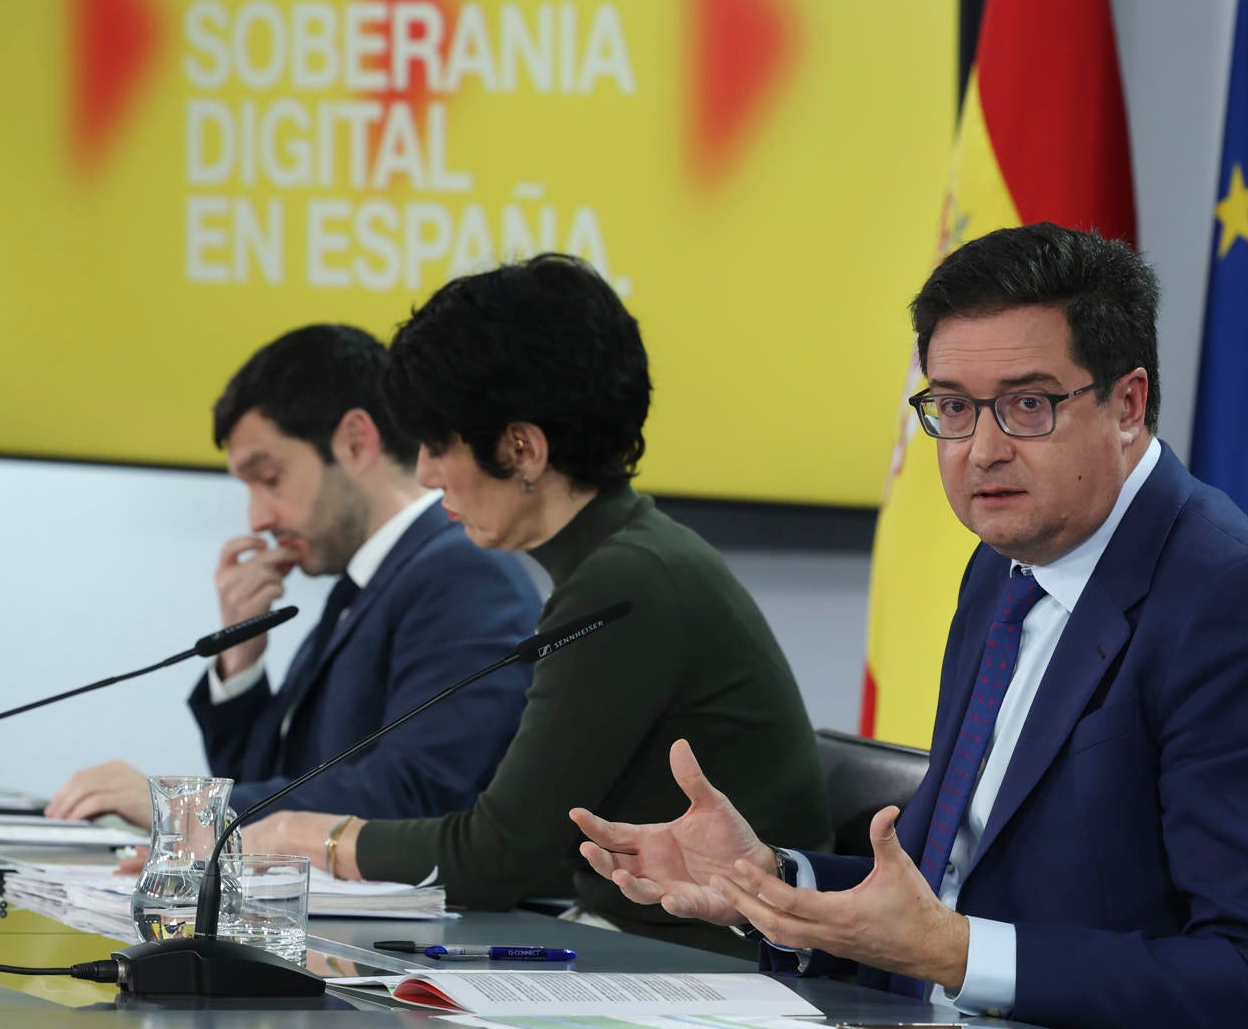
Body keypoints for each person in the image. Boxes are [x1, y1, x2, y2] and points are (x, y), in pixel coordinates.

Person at [572, 225, 1248, 1027]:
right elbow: (948, 891)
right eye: (953, 407)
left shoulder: (1234, 603)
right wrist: (773, 881)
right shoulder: (1003, 570)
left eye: (1028, 405)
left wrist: (952, 954)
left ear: (1127, 405)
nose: (981, 450)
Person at [244, 256, 831, 954]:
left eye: (437, 445)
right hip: (632, 948)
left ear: (522, 448)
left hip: (713, 976)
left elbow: (497, 856)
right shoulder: (620, 560)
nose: (427, 474)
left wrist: (306, 835)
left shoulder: (628, 581)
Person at [48, 324, 541, 827]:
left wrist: (186, 810)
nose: (257, 519)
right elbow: (274, 783)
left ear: (354, 442)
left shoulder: (464, 575)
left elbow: (416, 791)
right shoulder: (365, 586)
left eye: (270, 479)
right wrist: (241, 657)